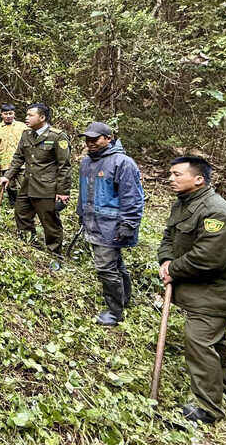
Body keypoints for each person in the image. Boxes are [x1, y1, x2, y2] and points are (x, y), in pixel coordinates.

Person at [158, 156, 226, 424]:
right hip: (202, 289)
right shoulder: (184, 203)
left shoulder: (218, 213)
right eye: (170, 173)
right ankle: (223, 387)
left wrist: (173, 269)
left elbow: (208, 258)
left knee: (200, 342)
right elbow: (169, 237)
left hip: (218, 292)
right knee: (214, 340)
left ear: (199, 179)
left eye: (177, 174)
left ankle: (208, 408)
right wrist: (166, 260)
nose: (171, 179)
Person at [76, 122, 144, 326]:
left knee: (106, 267)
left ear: (108, 138)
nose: (90, 143)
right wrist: (81, 214)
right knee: (115, 263)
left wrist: (128, 224)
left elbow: (132, 197)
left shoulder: (122, 162)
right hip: (92, 222)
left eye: (95, 139)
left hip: (111, 225)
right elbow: (83, 192)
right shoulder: (86, 162)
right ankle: (124, 299)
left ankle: (115, 312)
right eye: (87, 139)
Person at [1, 103, 71, 253]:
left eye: (30, 115)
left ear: (42, 117)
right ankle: (30, 248)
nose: (26, 118)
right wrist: (7, 176)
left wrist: (63, 191)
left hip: (46, 188)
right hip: (28, 185)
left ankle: (54, 253)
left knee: (49, 222)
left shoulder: (57, 136)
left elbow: (64, 166)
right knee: (21, 213)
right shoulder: (27, 134)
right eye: (26, 115)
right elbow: (18, 158)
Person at [0, 103, 27, 205]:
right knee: (10, 186)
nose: (8, 116)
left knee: (25, 184)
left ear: (14, 114)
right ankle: (13, 204)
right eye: (5, 114)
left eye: (10, 113)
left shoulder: (22, 127)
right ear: (1, 114)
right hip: (5, 163)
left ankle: (26, 204)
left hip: (22, 163)